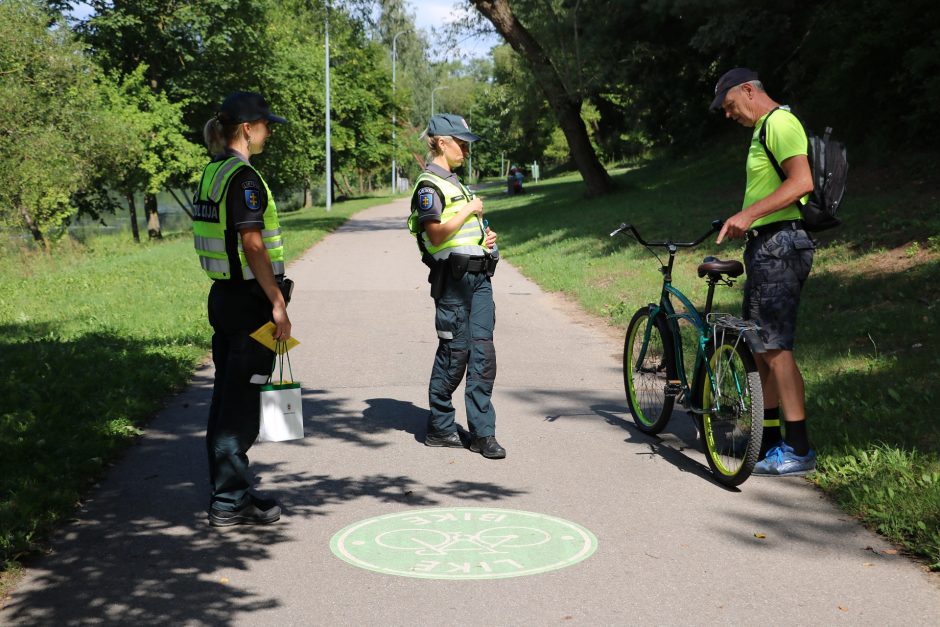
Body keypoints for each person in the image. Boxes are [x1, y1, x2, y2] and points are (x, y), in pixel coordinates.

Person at [711, 68, 817, 476]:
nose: (728, 114)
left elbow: (801, 182)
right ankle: (771, 441)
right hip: (767, 245)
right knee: (764, 348)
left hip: (780, 245)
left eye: (730, 106)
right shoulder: (764, 128)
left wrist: (749, 214)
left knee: (776, 349)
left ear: (748, 91)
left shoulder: (780, 123)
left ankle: (799, 449)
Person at [194, 91, 292, 525]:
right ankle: (230, 501)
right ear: (247, 129)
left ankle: (228, 488)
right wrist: (277, 302)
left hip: (222, 299)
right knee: (241, 405)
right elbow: (252, 244)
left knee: (226, 396)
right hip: (250, 302)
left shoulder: (211, 173)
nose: (269, 130)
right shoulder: (245, 179)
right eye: (266, 124)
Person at [407, 113, 505, 459]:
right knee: (455, 353)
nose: (465, 148)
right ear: (442, 142)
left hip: (480, 278)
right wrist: (469, 211)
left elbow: (465, 232)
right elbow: (435, 233)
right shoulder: (429, 186)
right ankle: (441, 426)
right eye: (460, 142)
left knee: (483, 355)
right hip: (453, 281)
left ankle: (482, 434)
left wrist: (486, 238)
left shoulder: (455, 183)